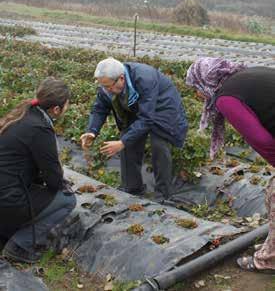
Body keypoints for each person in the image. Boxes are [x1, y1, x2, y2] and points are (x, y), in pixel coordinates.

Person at [186, 57, 275, 273]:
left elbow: (261, 139)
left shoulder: (226, 98)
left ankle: (268, 260)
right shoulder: (246, 75)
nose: (197, 94)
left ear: (204, 81)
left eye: (196, 88)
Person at [81, 57, 188, 201]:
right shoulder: (107, 85)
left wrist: (122, 142)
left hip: (163, 106)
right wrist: (92, 131)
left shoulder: (144, 78)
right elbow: (99, 108)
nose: (108, 90)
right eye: (104, 87)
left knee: (159, 145)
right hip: (136, 105)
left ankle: (163, 195)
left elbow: (146, 118)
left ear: (121, 78)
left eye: (109, 86)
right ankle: (132, 188)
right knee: (128, 140)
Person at [0, 77, 76, 263]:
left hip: (4, 190)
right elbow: (54, 179)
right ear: (56, 109)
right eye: (66, 105)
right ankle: (19, 246)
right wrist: (63, 183)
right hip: (7, 199)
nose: (67, 108)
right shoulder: (40, 129)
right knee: (66, 200)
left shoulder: (24, 115)